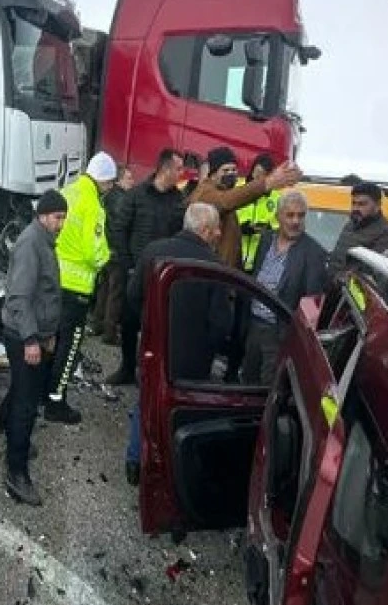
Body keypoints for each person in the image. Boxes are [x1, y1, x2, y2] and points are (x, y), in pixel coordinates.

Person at [123, 202, 231, 486]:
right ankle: (172, 470)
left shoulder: (153, 251)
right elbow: (221, 323)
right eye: (217, 228)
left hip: (151, 348)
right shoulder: (214, 266)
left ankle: (136, 460)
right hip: (192, 360)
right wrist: (208, 349)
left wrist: (149, 326)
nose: (220, 233)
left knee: (145, 402)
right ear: (205, 230)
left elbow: (133, 297)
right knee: (181, 412)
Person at [0, 189, 68, 506]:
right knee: (27, 404)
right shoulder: (31, 243)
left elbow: (45, 293)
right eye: (58, 217)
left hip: (37, 333)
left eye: (64, 218)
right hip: (23, 335)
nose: (61, 224)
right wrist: (30, 339)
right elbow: (18, 297)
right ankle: (16, 472)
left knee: (21, 391)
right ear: (42, 215)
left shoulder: (44, 240)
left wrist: (48, 333)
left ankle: (8, 430)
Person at [46, 151, 116, 423]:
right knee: (68, 347)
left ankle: (44, 393)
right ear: (103, 181)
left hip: (54, 280)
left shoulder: (66, 192)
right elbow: (94, 252)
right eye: (109, 184)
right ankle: (56, 403)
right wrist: (107, 258)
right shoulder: (94, 207)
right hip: (76, 288)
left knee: (50, 342)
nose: (109, 189)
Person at [106, 149, 186, 386]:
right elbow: (119, 229)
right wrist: (128, 264)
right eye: (179, 169)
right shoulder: (136, 195)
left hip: (163, 274)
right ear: (166, 169)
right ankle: (127, 368)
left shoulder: (177, 201)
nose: (181, 174)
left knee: (157, 326)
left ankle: (151, 373)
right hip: (135, 271)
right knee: (129, 323)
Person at [243, 189, 328, 385]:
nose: (295, 221)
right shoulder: (265, 240)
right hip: (254, 325)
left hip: (279, 332)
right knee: (247, 380)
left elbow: (312, 304)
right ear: (278, 216)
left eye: (301, 215)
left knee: (268, 388)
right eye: (290, 215)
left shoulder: (313, 252)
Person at [189, 146, 301, 269]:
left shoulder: (226, 192)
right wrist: (267, 183)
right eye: (225, 170)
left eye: (234, 170)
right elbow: (226, 201)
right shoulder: (205, 193)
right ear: (213, 174)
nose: (231, 174)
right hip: (211, 271)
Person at [225, 153, 281, 382]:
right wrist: (242, 228)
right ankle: (226, 364)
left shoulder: (275, 198)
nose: (260, 179)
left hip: (255, 268)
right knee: (227, 317)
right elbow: (228, 215)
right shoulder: (239, 190)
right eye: (258, 173)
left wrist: (267, 228)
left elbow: (279, 229)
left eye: (265, 176)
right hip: (234, 263)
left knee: (244, 324)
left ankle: (233, 370)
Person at [90, 165, 135, 345]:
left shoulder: (108, 197)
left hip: (105, 250)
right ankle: (109, 332)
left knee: (104, 288)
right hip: (116, 252)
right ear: (119, 179)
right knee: (116, 292)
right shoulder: (122, 200)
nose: (133, 182)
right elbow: (120, 228)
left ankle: (97, 323)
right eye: (129, 178)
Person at [329, 180, 388, 275]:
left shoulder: (387, 235)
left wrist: (339, 280)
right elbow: (337, 257)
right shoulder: (351, 224)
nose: (355, 208)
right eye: (353, 203)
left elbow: (370, 272)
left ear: (378, 205)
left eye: (362, 204)